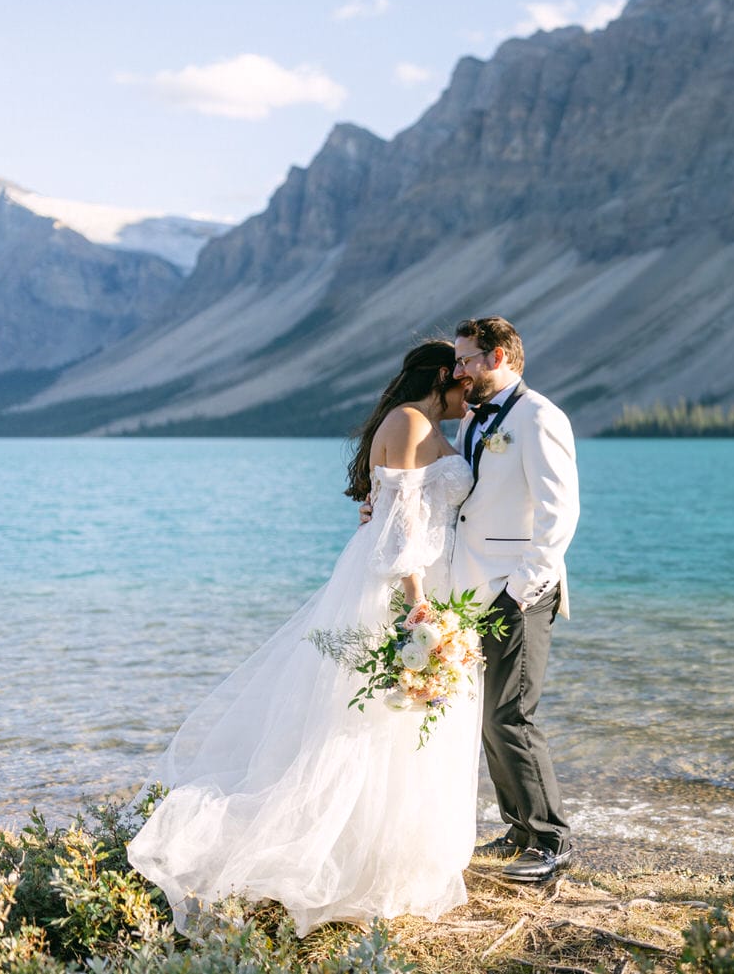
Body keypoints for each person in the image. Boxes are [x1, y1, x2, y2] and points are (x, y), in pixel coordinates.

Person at [127, 340, 479, 935]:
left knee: (377, 712)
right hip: (406, 582)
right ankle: (365, 859)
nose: (469, 393)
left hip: (390, 572)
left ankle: (375, 850)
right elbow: (405, 524)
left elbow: (385, 507)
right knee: (376, 717)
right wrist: (420, 607)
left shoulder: (405, 419)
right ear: (442, 377)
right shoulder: (415, 423)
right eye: (463, 384)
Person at [359, 317, 580, 882]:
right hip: (472, 591)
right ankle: (518, 830)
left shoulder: (538, 417)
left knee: (511, 714)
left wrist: (521, 589)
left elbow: (559, 515)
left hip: (517, 592)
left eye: (465, 360)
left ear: (498, 356)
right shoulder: (477, 420)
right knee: (487, 716)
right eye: (456, 362)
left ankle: (551, 840)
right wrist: (380, 510)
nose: (456, 371)